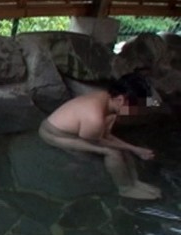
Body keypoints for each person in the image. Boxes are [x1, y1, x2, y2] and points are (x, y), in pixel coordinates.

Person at [39, 72, 162, 200]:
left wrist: (154, 103)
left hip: (76, 127)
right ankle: (125, 188)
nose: (136, 111)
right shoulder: (94, 119)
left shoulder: (107, 96)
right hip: (53, 134)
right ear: (121, 100)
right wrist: (135, 149)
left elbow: (151, 102)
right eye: (135, 107)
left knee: (121, 147)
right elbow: (102, 140)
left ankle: (134, 182)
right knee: (112, 152)